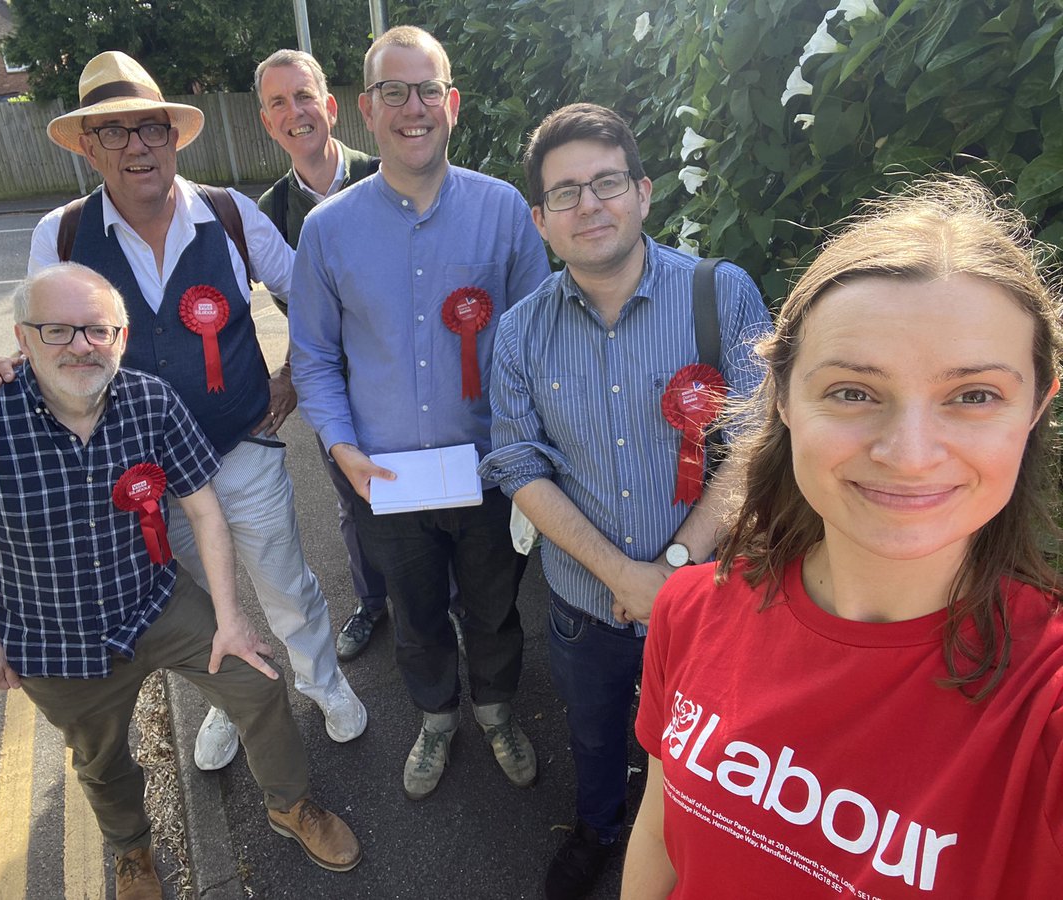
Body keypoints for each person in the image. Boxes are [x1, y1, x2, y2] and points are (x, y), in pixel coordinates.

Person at [623, 177, 1063, 899]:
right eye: (854, 391)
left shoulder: (1042, 707)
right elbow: (656, 832)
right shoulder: (692, 610)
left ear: (1035, 409)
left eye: (974, 395)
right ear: (785, 398)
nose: (909, 452)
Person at [0, 50, 366, 773]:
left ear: (175, 137)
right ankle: (225, 703)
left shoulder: (229, 213)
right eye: (115, 132)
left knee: (285, 583)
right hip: (146, 479)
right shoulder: (60, 235)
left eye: (150, 128)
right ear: (89, 145)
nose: (137, 146)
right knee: (197, 605)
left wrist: (293, 377)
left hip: (243, 446)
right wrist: (10, 362)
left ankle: (323, 684)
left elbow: (313, 294)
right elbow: (47, 343)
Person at [0, 265, 361, 899]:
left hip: (156, 602)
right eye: (57, 329)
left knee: (257, 684)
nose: (80, 345)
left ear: (121, 336)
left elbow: (204, 507)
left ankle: (289, 806)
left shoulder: (150, 399)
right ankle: (132, 852)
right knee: (100, 760)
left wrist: (231, 620)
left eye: (97, 330)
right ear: (22, 337)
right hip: (51, 639)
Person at [478, 103, 769, 899]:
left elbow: (758, 443)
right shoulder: (519, 332)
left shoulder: (721, 294)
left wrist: (672, 567)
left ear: (643, 191)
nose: (589, 204)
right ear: (540, 221)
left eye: (606, 181)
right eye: (565, 193)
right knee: (595, 729)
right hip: (584, 602)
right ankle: (599, 827)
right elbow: (516, 460)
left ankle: (695, 845)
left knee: (709, 742)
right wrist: (622, 577)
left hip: (708, 594)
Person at [289, 26, 551, 801]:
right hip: (387, 479)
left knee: (495, 608)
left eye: (427, 90)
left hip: (490, 472)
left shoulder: (505, 211)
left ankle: (497, 709)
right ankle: (436, 718)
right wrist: (340, 450)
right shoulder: (327, 229)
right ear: (366, 110)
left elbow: (538, 339)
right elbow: (313, 358)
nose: (413, 108)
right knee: (415, 615)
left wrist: (527, 450)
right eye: (393, 92)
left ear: (452, 103)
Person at [254, 48, 389, 662]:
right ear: (266, 121)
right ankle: (373, 602)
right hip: (330, 384)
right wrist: (284, 374)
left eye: (304, 95)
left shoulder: (387, 174)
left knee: (424, 493)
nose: (295, 111)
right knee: (352, 502)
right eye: (279, 102)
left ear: (330, 106)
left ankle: (447, 606)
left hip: (401, 374)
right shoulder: (267, 214)